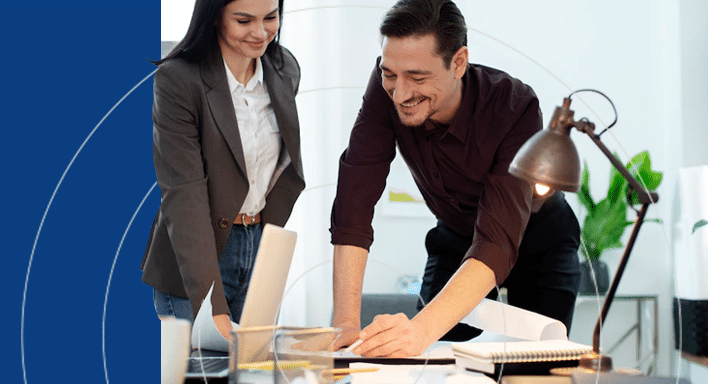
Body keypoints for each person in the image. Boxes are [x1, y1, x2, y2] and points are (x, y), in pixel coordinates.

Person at [330, 0, 581, 357]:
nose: (400, 93)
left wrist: (418, 331)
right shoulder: (390, 86)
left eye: (418, 78)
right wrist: (345, 324)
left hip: (539, 242)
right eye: (390, 75)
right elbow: (355, 199)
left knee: (536, 367)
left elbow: (496, 239)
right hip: (456, 237)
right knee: (427, 358)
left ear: (458, 62)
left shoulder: (514, 106)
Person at [141, 0, 304, 340]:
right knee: (205, 371)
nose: (261, 33)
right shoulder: (179, 79)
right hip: (196, 252)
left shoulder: (284, 67)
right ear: (214, 16)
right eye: (244, 20)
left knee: (252, 372)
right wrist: (210, 305)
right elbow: (183, 194)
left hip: (259, 243)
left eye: (271, 17)